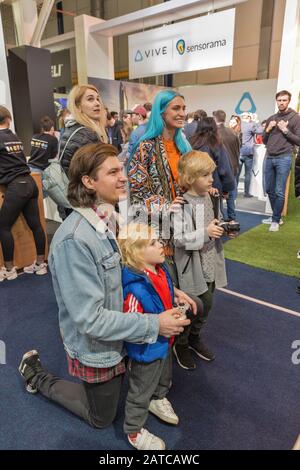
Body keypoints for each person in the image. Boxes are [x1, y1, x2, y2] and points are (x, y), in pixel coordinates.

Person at [18, 142, 190, 431]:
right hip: (98, 346)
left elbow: (129, 271)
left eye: (121, 169)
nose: (123, 177)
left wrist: (166, 291)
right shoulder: (74, 240)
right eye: (113, 172)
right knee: (102, 417)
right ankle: (36, 375)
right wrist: (153, 325)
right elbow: (89, 319)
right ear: (88, 181)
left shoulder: (110, 218)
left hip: (122, 332)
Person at [119, 223, 180, 450]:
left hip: (165, 342)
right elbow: (133, 327)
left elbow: (165, 297)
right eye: (153, 243)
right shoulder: (135, 289)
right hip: (145, 352)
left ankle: (158, 398)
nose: (161, 245)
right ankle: (133, 431)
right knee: (139, 391)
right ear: (137, 253)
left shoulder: (160, 271)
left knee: (164, 376)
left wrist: (175, 304)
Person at [173, 151, 228, 366]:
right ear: (190, 178)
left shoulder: (210, 197)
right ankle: (182, 343)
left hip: (210, 260)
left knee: (207, 304)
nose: (211, 179)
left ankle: (194, 338)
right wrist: (206, 233)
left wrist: (224, 228)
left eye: (210, 174)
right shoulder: (181, 204)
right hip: (192, 265)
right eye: (205, 175)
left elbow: (216, 221)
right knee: (196, 306)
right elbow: (178, 239)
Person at [0, 106, 47, 281]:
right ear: (8, 120)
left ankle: (9, 269)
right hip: (30, 183)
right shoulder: (14, 137)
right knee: (35, 225)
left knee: (3, 227)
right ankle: (41, 264)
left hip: (16, 186)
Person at [262, 90, 300, 232]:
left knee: (279, 191)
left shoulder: (295, 118)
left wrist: (285, 131)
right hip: (270, 157)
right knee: (269, 189)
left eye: (284, 100)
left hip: (284, 157)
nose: (281, 102)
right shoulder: (272, 118)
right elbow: (264, 140)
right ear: (276, 101)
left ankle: (276, 220)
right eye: (279, 100)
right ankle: (276, 216)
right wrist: (268, 129)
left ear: (288, 101)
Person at [213, 110, 240, 222]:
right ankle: (232, 218)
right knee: (231, 195)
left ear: (214, 118)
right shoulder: (233, 133)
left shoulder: (214, 134)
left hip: (219, 168)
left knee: (217, 195)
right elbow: (238, 151)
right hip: (233, 167)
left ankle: (220, 218)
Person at [238, 112, 263, 198]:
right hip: (248, 152)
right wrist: (256, 121)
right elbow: (260, 131)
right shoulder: (251, 125)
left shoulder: (239, 125)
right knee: (247, 174)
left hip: (239, 152)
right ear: (248, 117)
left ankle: (233, 192)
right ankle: (246, 193)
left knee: (236, 174)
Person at [28, 116, 58, 180]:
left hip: (29, 168)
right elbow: (53, 156)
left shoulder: (34, 137)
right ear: (52, 128)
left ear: (42, 128)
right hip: (41, 170)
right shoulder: (53, 139)